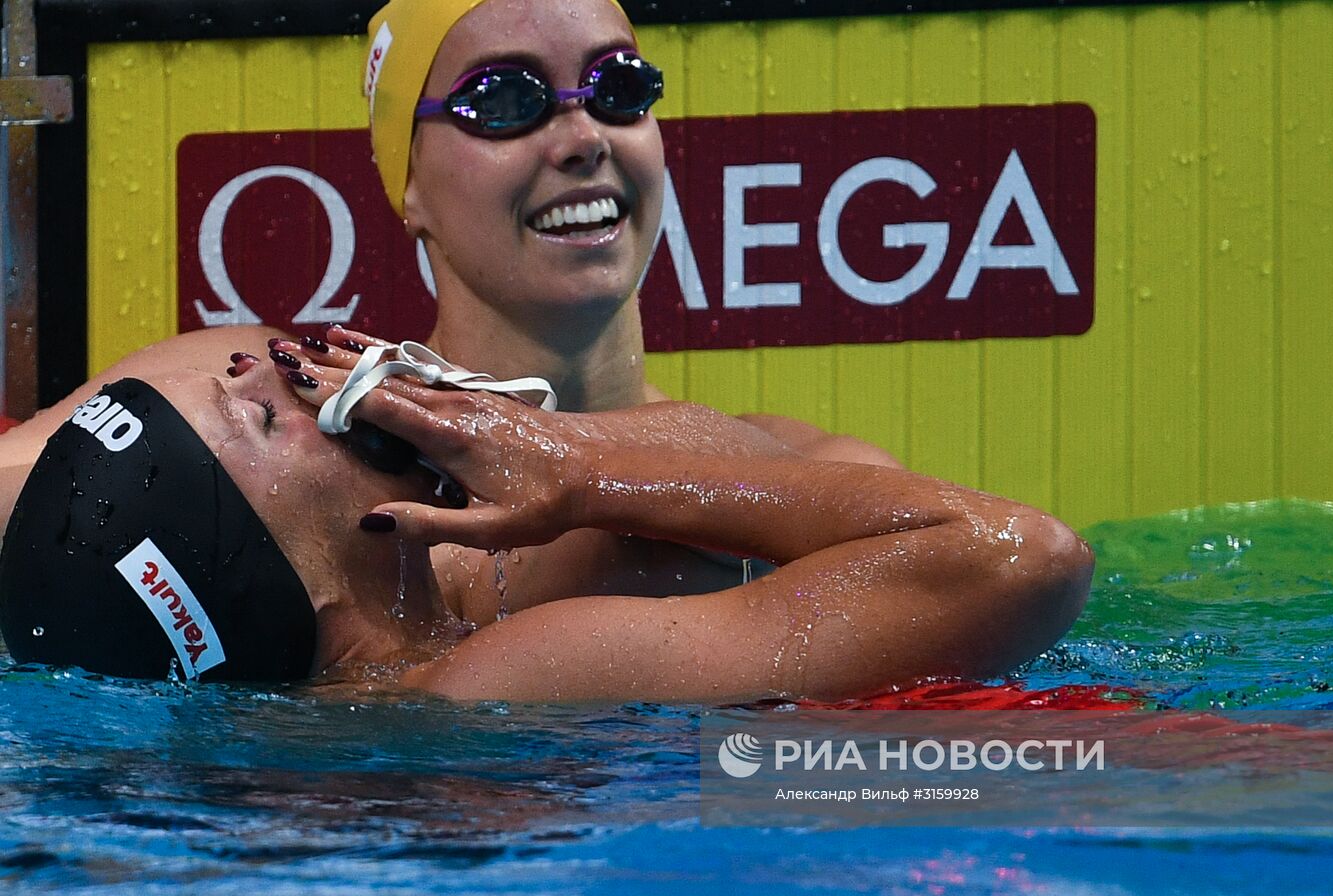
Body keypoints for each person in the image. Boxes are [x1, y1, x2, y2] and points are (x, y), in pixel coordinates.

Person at [0, 0, 1091, 685]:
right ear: (407, 182)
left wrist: (580, 466)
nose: (581, 136)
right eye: (502, 100)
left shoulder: (805, 473)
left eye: (619, 89)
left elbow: (988, 585)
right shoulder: (222, 386)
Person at [0, 360, 1092, 702]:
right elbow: (1018, 556)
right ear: (277, 567)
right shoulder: (492, 679)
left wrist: (565, 463)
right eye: (257, 414)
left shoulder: (472, 615)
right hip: (1027, 774)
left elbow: (803, 476)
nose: (253, 367)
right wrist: (586, 471)